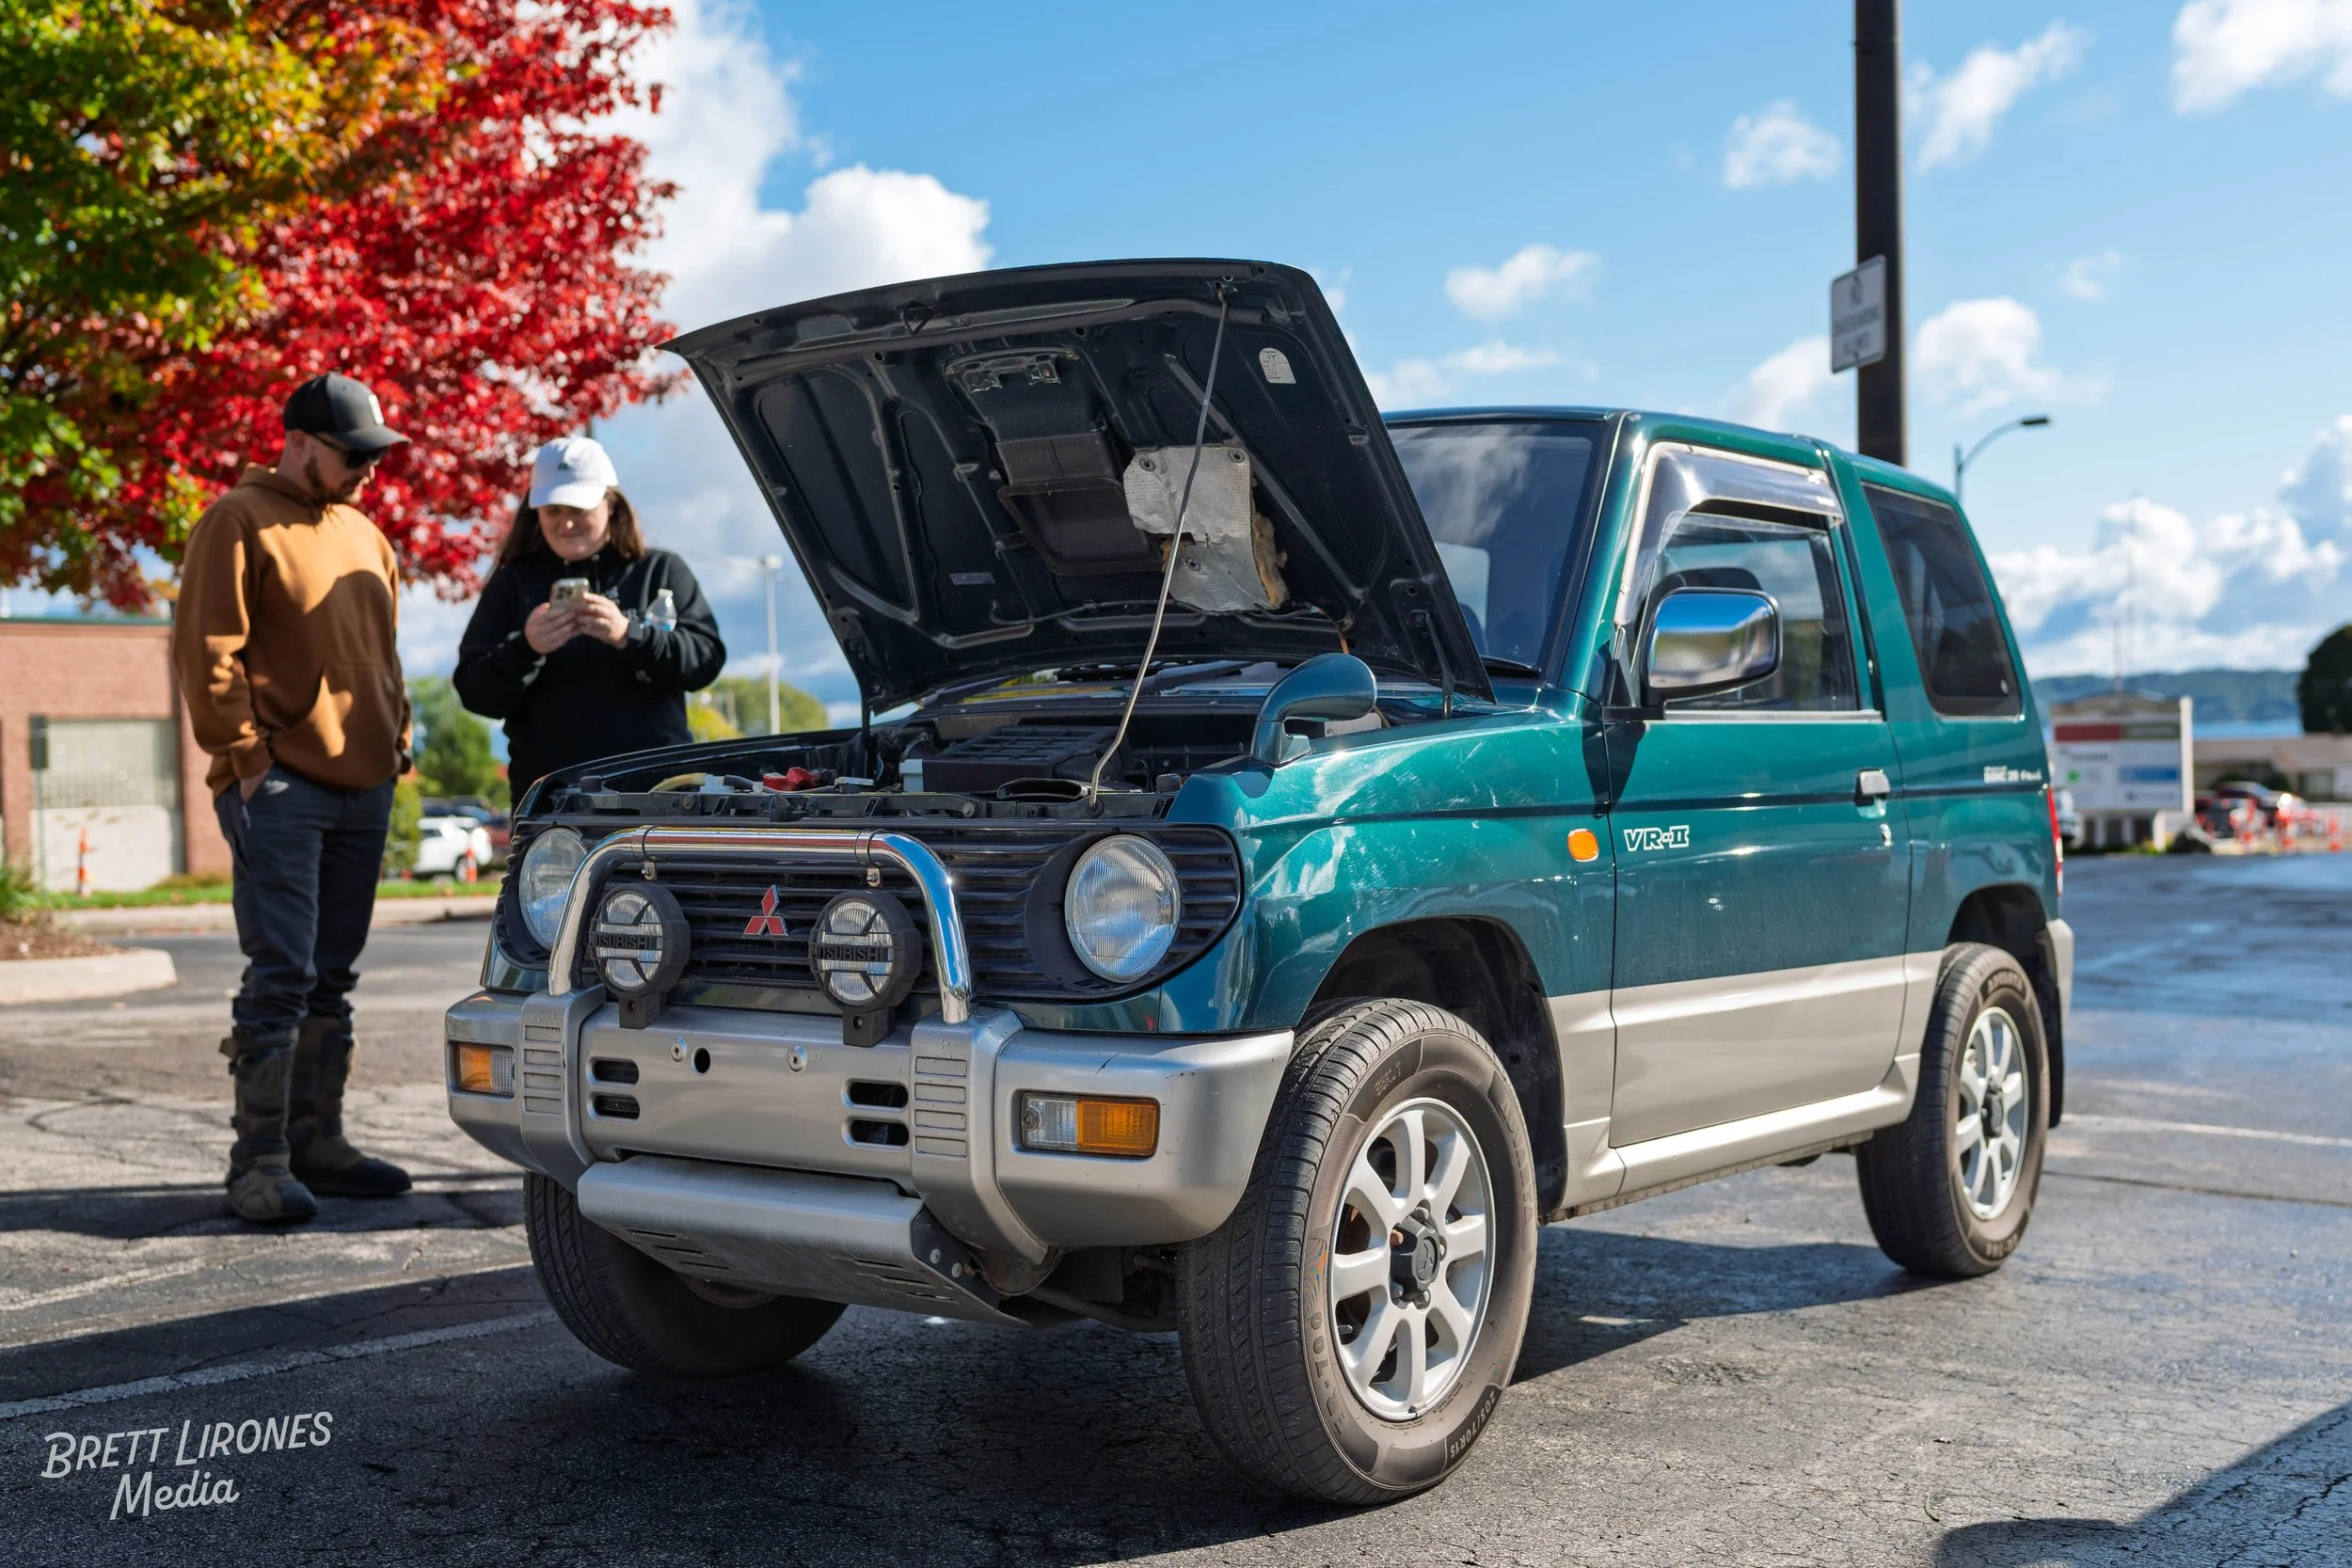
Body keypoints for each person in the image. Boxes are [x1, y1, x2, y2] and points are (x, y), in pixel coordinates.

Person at [171, 372, 419, 1224]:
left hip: (366, 781)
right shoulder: (236, 520)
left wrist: (398, 742)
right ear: (301, 442)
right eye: (354, 455)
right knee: (283, 970)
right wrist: (246, 759)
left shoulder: (367, 535)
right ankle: (259, 1162)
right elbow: (207, 652)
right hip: (281, 785)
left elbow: (385, 654)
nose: (368, 471)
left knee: (332, 976)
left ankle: (319, 1143)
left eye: (375, 457)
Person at [453, 436, 724, 799]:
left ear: (610, 504)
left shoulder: (660, 570)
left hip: (656, 791)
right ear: (535, 512)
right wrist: (527, 648)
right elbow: (474, 692)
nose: (566, 524)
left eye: (578, 509)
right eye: (553, 511)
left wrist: (630, 634)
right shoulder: (513, 582)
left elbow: (705, 662)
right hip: (552, 798)